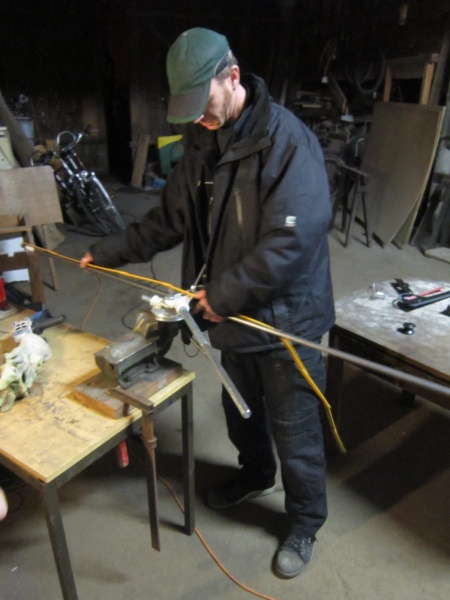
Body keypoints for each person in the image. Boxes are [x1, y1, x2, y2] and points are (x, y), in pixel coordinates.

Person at [81, 27, 335, 579]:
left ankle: (304, 522)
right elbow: (168, 220)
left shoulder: (287, 142)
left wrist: (221, 295)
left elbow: (292, 240)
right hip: (230, 315)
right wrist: (108, 250)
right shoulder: (201, 143)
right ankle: (255, 473)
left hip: (285, 318)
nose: (200, 117)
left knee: (295, 428)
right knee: (242, 410)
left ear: (233, 77)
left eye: (205, 103)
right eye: (190, 109)